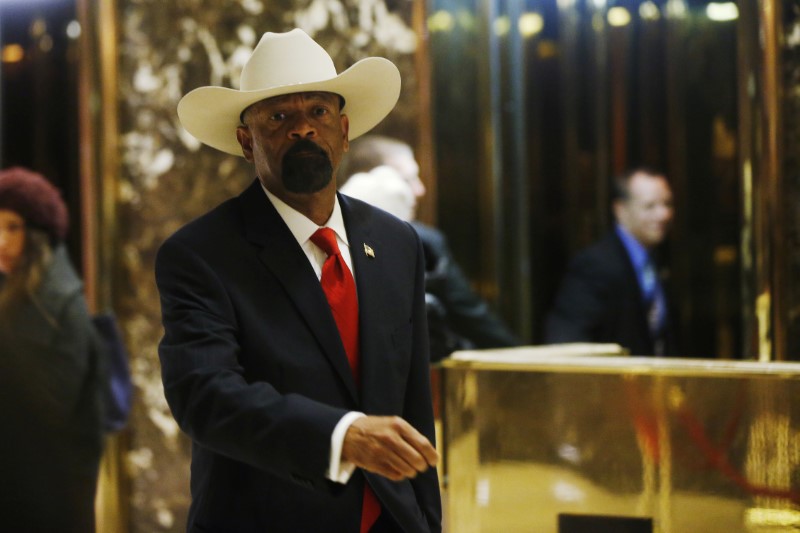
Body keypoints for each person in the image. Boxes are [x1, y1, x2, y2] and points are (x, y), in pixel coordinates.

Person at [156, 29, 441, 533]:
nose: (303, 129)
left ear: (345, 130)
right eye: (279, 117)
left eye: (319, 112)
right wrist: (340, 436)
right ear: (247, 141)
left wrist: (425, 521)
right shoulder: (202, 255)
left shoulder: (397, 242)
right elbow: (206, 396)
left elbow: (413, 402)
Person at [340, 135, 520, 361]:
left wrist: (519, 358)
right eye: (408, 179)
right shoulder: (325, 240)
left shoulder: (426, 243)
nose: (420, 190)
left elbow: (473, 318)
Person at [0, 167, 106, 532]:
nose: (0, 240)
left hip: (47, 494)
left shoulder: (55, 301)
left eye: (12, 227)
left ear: (38, 233)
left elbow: (48, 407)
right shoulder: (19, 295)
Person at [545, 167, 676, 356]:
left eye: (667, 204)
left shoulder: (656, 259)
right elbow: (567, 339)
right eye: (650, 206)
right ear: (620, 210)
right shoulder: (595, 265)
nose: (664, 214)